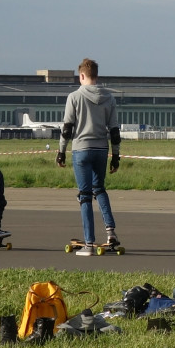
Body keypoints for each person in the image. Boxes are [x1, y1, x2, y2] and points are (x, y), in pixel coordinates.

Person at [56, 59, 122, 253]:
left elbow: (67, 128)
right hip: (101, 150)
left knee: (84, 196)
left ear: (82, 76)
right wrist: (116, 157)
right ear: (96, 76)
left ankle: (89, 243)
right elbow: (115, 131)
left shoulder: (74, 97)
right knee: (99, 190)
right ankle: (111, 232)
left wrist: (61, 152)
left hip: (81, 150)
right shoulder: (109, 98)